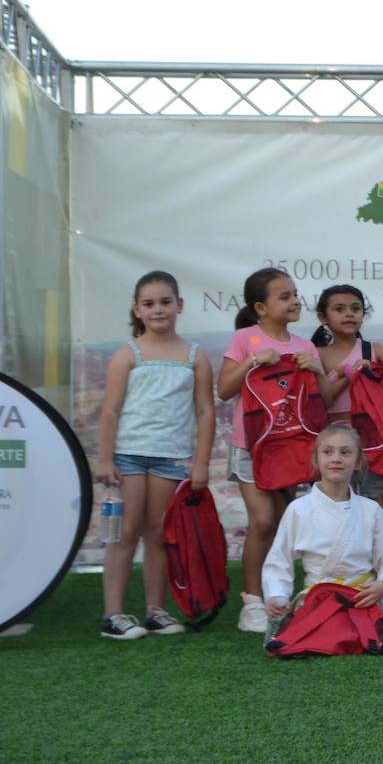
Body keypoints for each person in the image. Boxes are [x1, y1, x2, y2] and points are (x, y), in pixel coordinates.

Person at [93, 271, 215, 640]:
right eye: (149, 304)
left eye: (165, 302)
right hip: (129, 455)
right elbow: (110, 410)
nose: (158, 309)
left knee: (159, 534)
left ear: (180, 305)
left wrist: (201, 462)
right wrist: (105, 458)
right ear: (137, 309)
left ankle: (155, 610)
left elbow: (205, 412)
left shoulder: (195, 356)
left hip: (170, 459)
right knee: (125, 532)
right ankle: (113, 614)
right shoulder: (128, 354)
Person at [218, 267, 336, 634]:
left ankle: (278, 597)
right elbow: (224, 389)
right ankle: (251, 601)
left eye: (295, 293)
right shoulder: (244, 339)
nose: (294, 300)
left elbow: (325, 401)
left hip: (291, 448)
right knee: (263, 522)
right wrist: (255, 361)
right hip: (252, 447)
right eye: (284, 296)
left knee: (285, 527)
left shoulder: (304, 345)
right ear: (261, 307)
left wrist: (316, 370)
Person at [262, 423, 383, 626]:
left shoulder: (371, 509)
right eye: (327, 452)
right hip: (317, 600)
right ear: (316, 459)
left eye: (345, 452)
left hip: (361, 598)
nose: (336, 459)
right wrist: (276, 594)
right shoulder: (298, 509)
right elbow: (279, 560)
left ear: (358, 461)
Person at [313, 284, 383, 515]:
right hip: (336, 441)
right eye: (340, 309)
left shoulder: (373, 350)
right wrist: (348, 374)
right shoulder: (317, 354)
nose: (349, 314)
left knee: (378, 504)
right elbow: (322, 400)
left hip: (374, 440)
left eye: (356, 308)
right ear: (323, 317)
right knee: (337, 504)